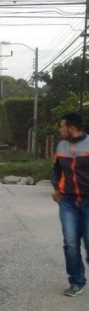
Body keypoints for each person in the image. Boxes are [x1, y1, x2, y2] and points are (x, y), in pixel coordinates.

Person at [52, 112, 89, 297]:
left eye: (62, 126)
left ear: (71, 128)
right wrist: (57, 189)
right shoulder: (61, 146)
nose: (60, 129)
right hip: (67, 202)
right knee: (71, 243)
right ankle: (76, 281)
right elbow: (56, 170)